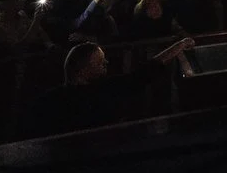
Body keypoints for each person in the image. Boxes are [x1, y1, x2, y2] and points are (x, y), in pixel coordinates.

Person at [32, 37, 195, 137]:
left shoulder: (48, 100)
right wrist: (179, 45)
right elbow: (144, 73)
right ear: (83, 69)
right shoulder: (104, 91)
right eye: (100, 63)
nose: (106, 63)